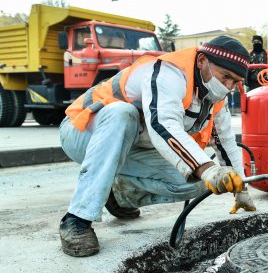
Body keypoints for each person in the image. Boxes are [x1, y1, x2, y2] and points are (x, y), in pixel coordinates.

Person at [58, 36, 257, 257]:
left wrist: (241, 189)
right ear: (202, 61)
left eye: (235, 81)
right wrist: (206, 168)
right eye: (225, 76)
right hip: (82, 131)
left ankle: (118, 194)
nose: (228, 86)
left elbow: (226, 142)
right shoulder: (168, 72)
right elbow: (163, 124)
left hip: (133, 147)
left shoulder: (214, 98)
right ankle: (77, 219)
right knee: (123, 114)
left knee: (198, 184)